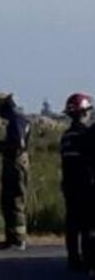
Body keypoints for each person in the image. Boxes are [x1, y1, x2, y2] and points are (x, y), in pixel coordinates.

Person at [0, 93, 31, 251]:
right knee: (7, 200)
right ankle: (11, 237)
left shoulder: (16, 120)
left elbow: (18, 144)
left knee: (16, 200)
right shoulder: (16, 119)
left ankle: (19, 238)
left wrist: (4, 147)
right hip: (12, 161)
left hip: (16, 162)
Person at [60, 93, 94, 271]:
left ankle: (73, 259)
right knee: (87, 225)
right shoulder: (85, 136)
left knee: (72, 224)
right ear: (83, 113)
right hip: (84, 185)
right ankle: (88, 261)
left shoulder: (66, 136)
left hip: (69, 185)